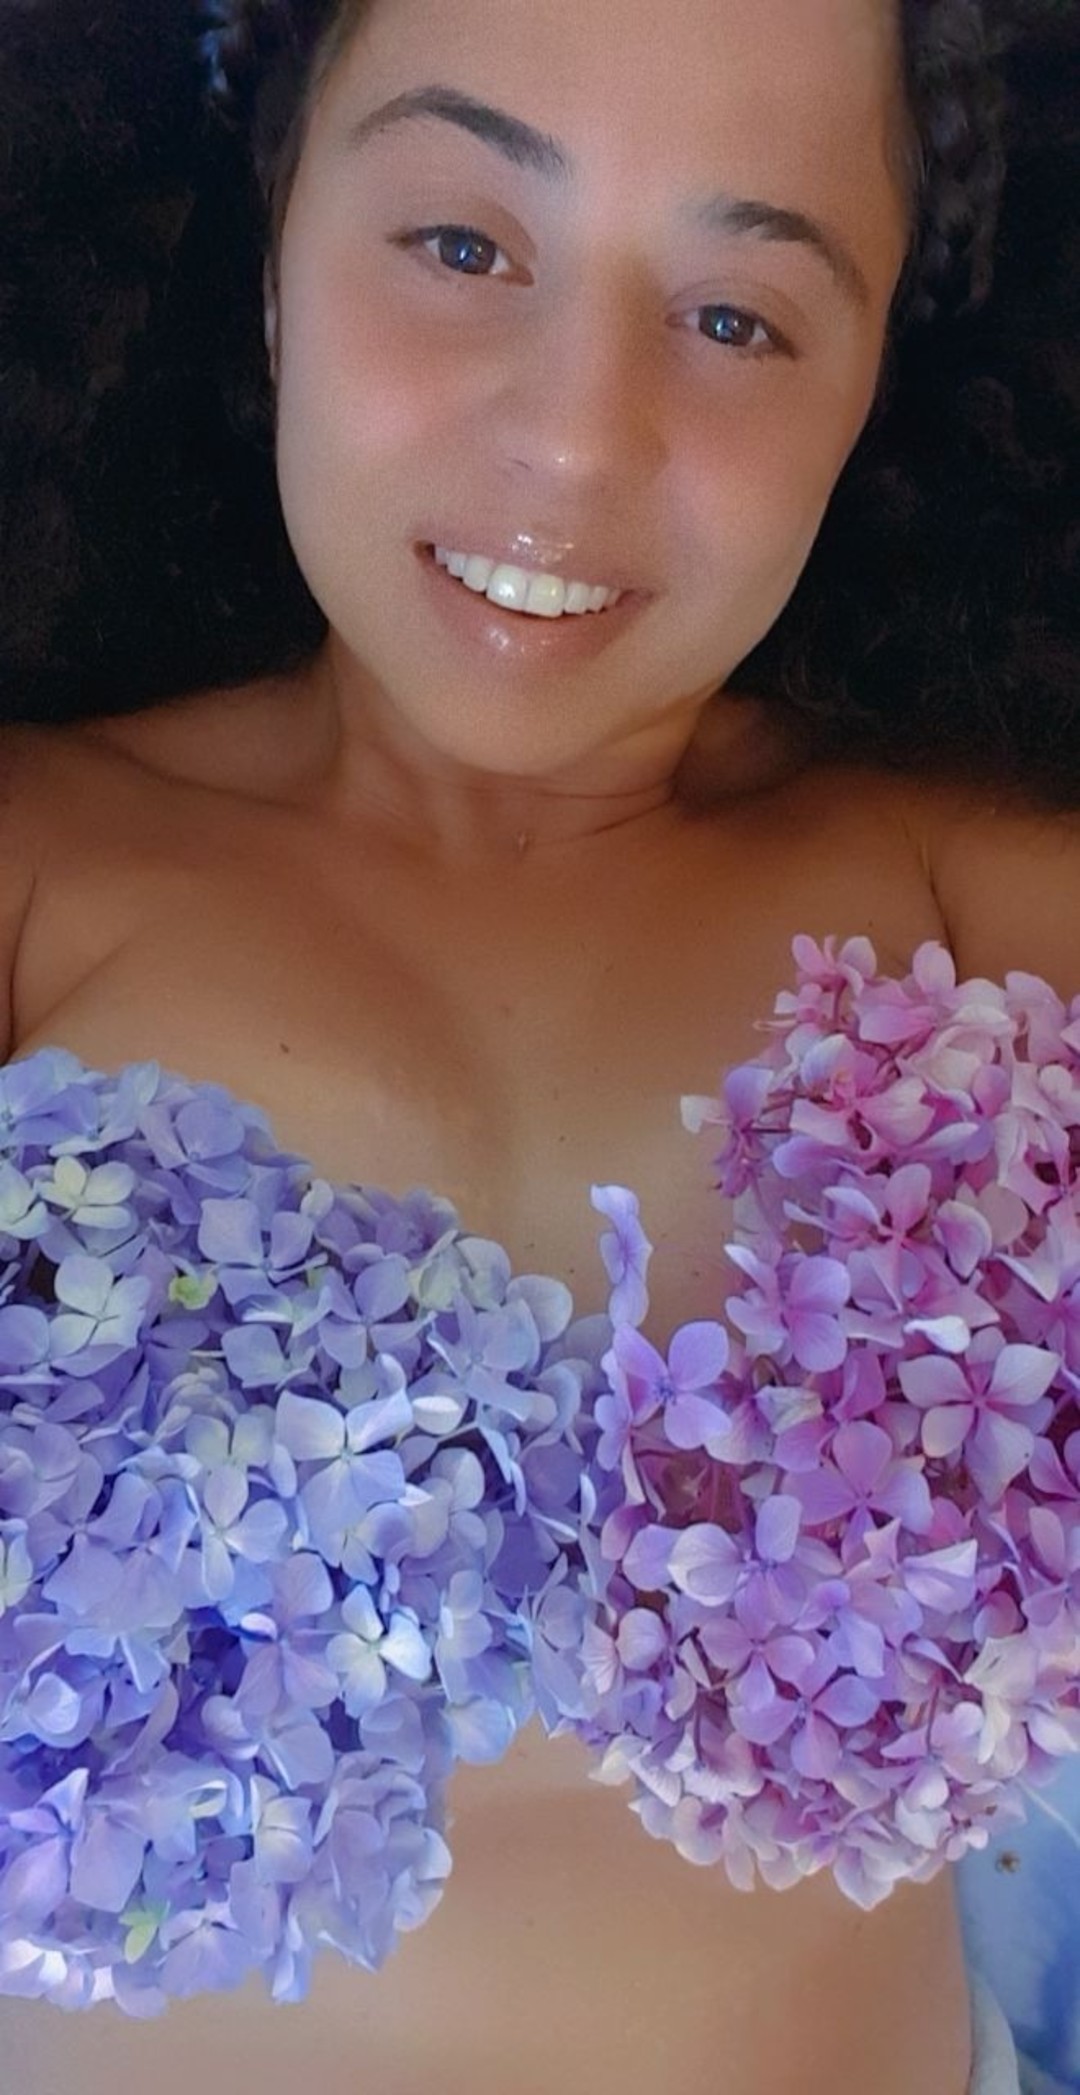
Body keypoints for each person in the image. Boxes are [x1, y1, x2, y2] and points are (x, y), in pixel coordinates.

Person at [0, 0, 1077, 2089]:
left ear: (875, 385)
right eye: (463, 244)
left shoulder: (990, 898)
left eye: (740, 317)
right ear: (270, 241)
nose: (580, 440)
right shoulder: (37, 872)